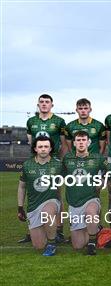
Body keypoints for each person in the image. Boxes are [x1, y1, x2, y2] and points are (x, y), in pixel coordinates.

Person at [21, 94, 67, 244]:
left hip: (52, 161)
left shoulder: (59, 121)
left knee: (57, 194)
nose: (44, 104)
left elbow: (63, 144)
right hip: (36, 159)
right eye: (41, 102)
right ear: (38, 104)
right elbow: (30, 142)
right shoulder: (31, 121)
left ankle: (58, 230)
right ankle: (32, 230)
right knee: (32, 191)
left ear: (52, 105)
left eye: (47, 102)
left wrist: (57, 159)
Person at [17, 136, 63, 256]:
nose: (43, 149)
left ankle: (52, 244)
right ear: (35, 149)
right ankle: (52, 234)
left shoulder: (58, 165)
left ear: (50, 148)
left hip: (51, 201)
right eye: (40, 147)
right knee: (39, 246)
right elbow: (22, 187)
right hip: (33, 206)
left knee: (47, 213)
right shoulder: (27, 165)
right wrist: (20, 207)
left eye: (46, 146)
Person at [62, 131, 106, 255]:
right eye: (78, 140)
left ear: (89, 142)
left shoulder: (98, 158)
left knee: (91, 212)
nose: (81, 143)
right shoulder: (67, 158)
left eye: (84, 140)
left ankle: (92, 244)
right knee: (78, 245)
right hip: (74, 202)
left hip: (91, 198)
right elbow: (60, 175)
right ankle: (96, 230)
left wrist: (102, 180)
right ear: (74, 143)